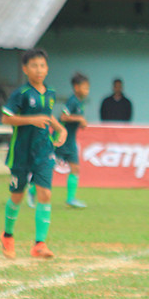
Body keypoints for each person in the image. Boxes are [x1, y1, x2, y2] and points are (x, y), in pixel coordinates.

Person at [0, 48, 67, 260]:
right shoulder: (21, 94)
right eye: (34, 66)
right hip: (21, 152)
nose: (39, 70)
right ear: (25, 69)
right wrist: (31, 119)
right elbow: (6, 118)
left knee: (45, 194)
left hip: (43, 151)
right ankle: (7, 236)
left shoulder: (51, 93)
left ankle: (39, 244)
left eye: (43, 65)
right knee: (17, 196)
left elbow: (47, 116)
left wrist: (60, 129)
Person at [55, 72, 91, 209]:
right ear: (76, 87)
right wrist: (80, 119)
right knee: (48, 166)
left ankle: (71, 199)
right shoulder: (73, 100)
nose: (87, 91)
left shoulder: (79, 102)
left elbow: (73, 119)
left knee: (75, 168)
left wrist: (80, 123)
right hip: (62, 139)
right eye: (85, 87)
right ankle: (32, 190)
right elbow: (63, 117)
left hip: (70, 141)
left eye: (88, 88)